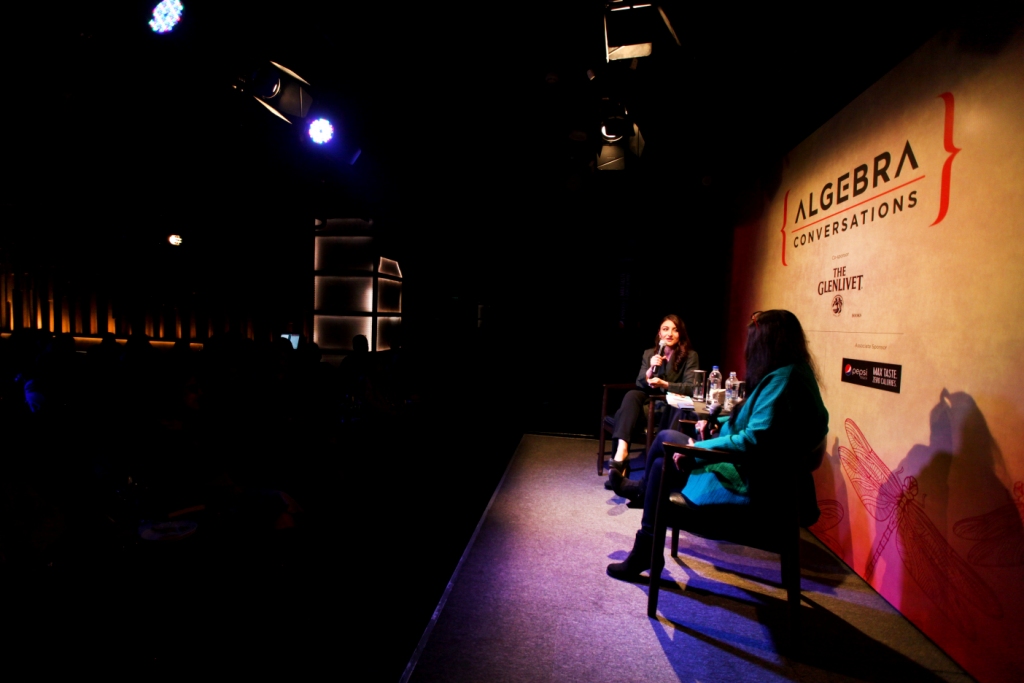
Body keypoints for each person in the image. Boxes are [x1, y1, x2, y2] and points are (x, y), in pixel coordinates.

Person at [606, 309, 829, 581]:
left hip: (755, 481)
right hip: (759, 468)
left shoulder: (783, 380)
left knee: (665, 444)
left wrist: (699, 453)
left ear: (770, 343)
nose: (749, 349)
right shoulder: (791, 373)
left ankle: (645, 536)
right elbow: (755, 424)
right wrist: (716, 425)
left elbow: (752, 439)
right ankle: (646, 536)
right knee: (663, 449)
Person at [607, 315, 699, 479]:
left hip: (670, 409)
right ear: (659, 333)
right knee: (632, 395)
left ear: (681, 334)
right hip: (648, 407)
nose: (669, 334)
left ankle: (619, 468)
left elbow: (691, 387)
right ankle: (622, 453)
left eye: (675, 330)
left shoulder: (690, 356)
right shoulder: (650, 353)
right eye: (665, 329)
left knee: (622, 414)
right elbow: (640, 382)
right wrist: (650, 370)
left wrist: (665, 384)